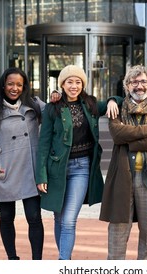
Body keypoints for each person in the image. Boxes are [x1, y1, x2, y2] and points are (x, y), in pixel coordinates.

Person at [35, 65, 119, 260]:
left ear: (83, 84)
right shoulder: (52, 108)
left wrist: (114, 100)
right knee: (58, 217)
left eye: (78, 82)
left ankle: (63, 262)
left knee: (69, 220)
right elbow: (43, 144)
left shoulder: (91, 104)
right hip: (56, 169)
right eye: (69, 82)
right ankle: (65, 257)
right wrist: (41, 175)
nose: (74, 86)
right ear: (62, 84)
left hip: (81, 167)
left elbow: (120, 101)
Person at [99, 65, 147, 260]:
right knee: (118, 227)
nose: (139, 86)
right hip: (123, 176)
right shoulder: (117, 107)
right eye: (134, 82)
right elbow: (118, 135)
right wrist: (146, 131)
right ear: (127, 86)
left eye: (143, 81)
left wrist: (132, 144)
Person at [0, 67, 44, 260]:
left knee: (34, 217)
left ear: (24, 87)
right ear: (3, 85)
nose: (14, 88)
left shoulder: (34, 104)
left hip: (30, 170)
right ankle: (12, 259)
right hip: (5, 170)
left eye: (19, 84)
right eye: (10, 84)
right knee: (7, 218)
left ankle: (37, 262)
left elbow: (56, 110)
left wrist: (57, 94)